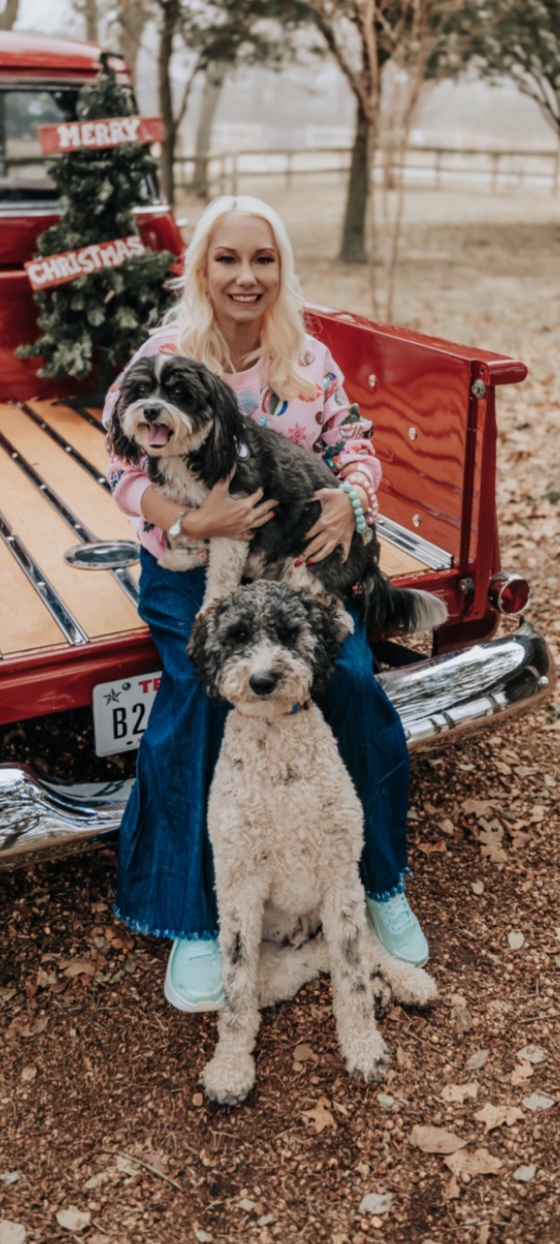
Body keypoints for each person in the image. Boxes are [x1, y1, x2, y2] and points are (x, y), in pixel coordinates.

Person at [102, 194, 429, 1014]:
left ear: (281, 270)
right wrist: (188, 518)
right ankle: (195, 919)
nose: (245, 277)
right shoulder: (165, 354)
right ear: (201, 268)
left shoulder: (307, 358)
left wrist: (345, 501)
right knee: (202, 694)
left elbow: (354, 443)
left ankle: (377, 881)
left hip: (289, 564)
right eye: (227, 259)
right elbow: (120, 472)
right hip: (191, 564)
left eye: (263, 260)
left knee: (351, 679)